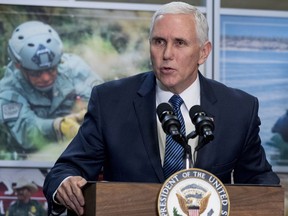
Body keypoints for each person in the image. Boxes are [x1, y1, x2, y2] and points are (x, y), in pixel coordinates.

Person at [43, 2, 280, 215]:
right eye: (159, 42)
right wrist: (65, 183)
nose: (167, 54)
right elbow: (65, 169)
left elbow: (260, 181)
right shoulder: (111, 101)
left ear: (203, 52)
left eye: (180, 43)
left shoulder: (238, 108)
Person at [0, 21, 103, 159]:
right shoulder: (9, 89)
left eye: (51, 69)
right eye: (35, 73)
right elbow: (26, 131)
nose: (46, 78)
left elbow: (102, 102)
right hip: (29, 162)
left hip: (81, 155)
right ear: (19, 66)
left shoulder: (74, 68)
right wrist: (57, 126)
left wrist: (87, 112)